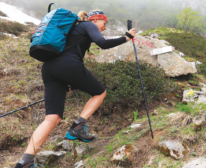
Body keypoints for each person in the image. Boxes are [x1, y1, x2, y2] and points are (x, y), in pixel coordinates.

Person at [15, 10, 135, 168]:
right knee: (100, 92)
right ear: (95, 20)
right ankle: (78, 127)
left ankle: (25, 162)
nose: (104, 28)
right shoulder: (87, 25)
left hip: (50, 69)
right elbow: (103, 44)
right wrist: (126, 37)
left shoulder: (74, 29)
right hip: (68, 65)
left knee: (52, 118)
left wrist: (67, 82)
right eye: (104, 23)